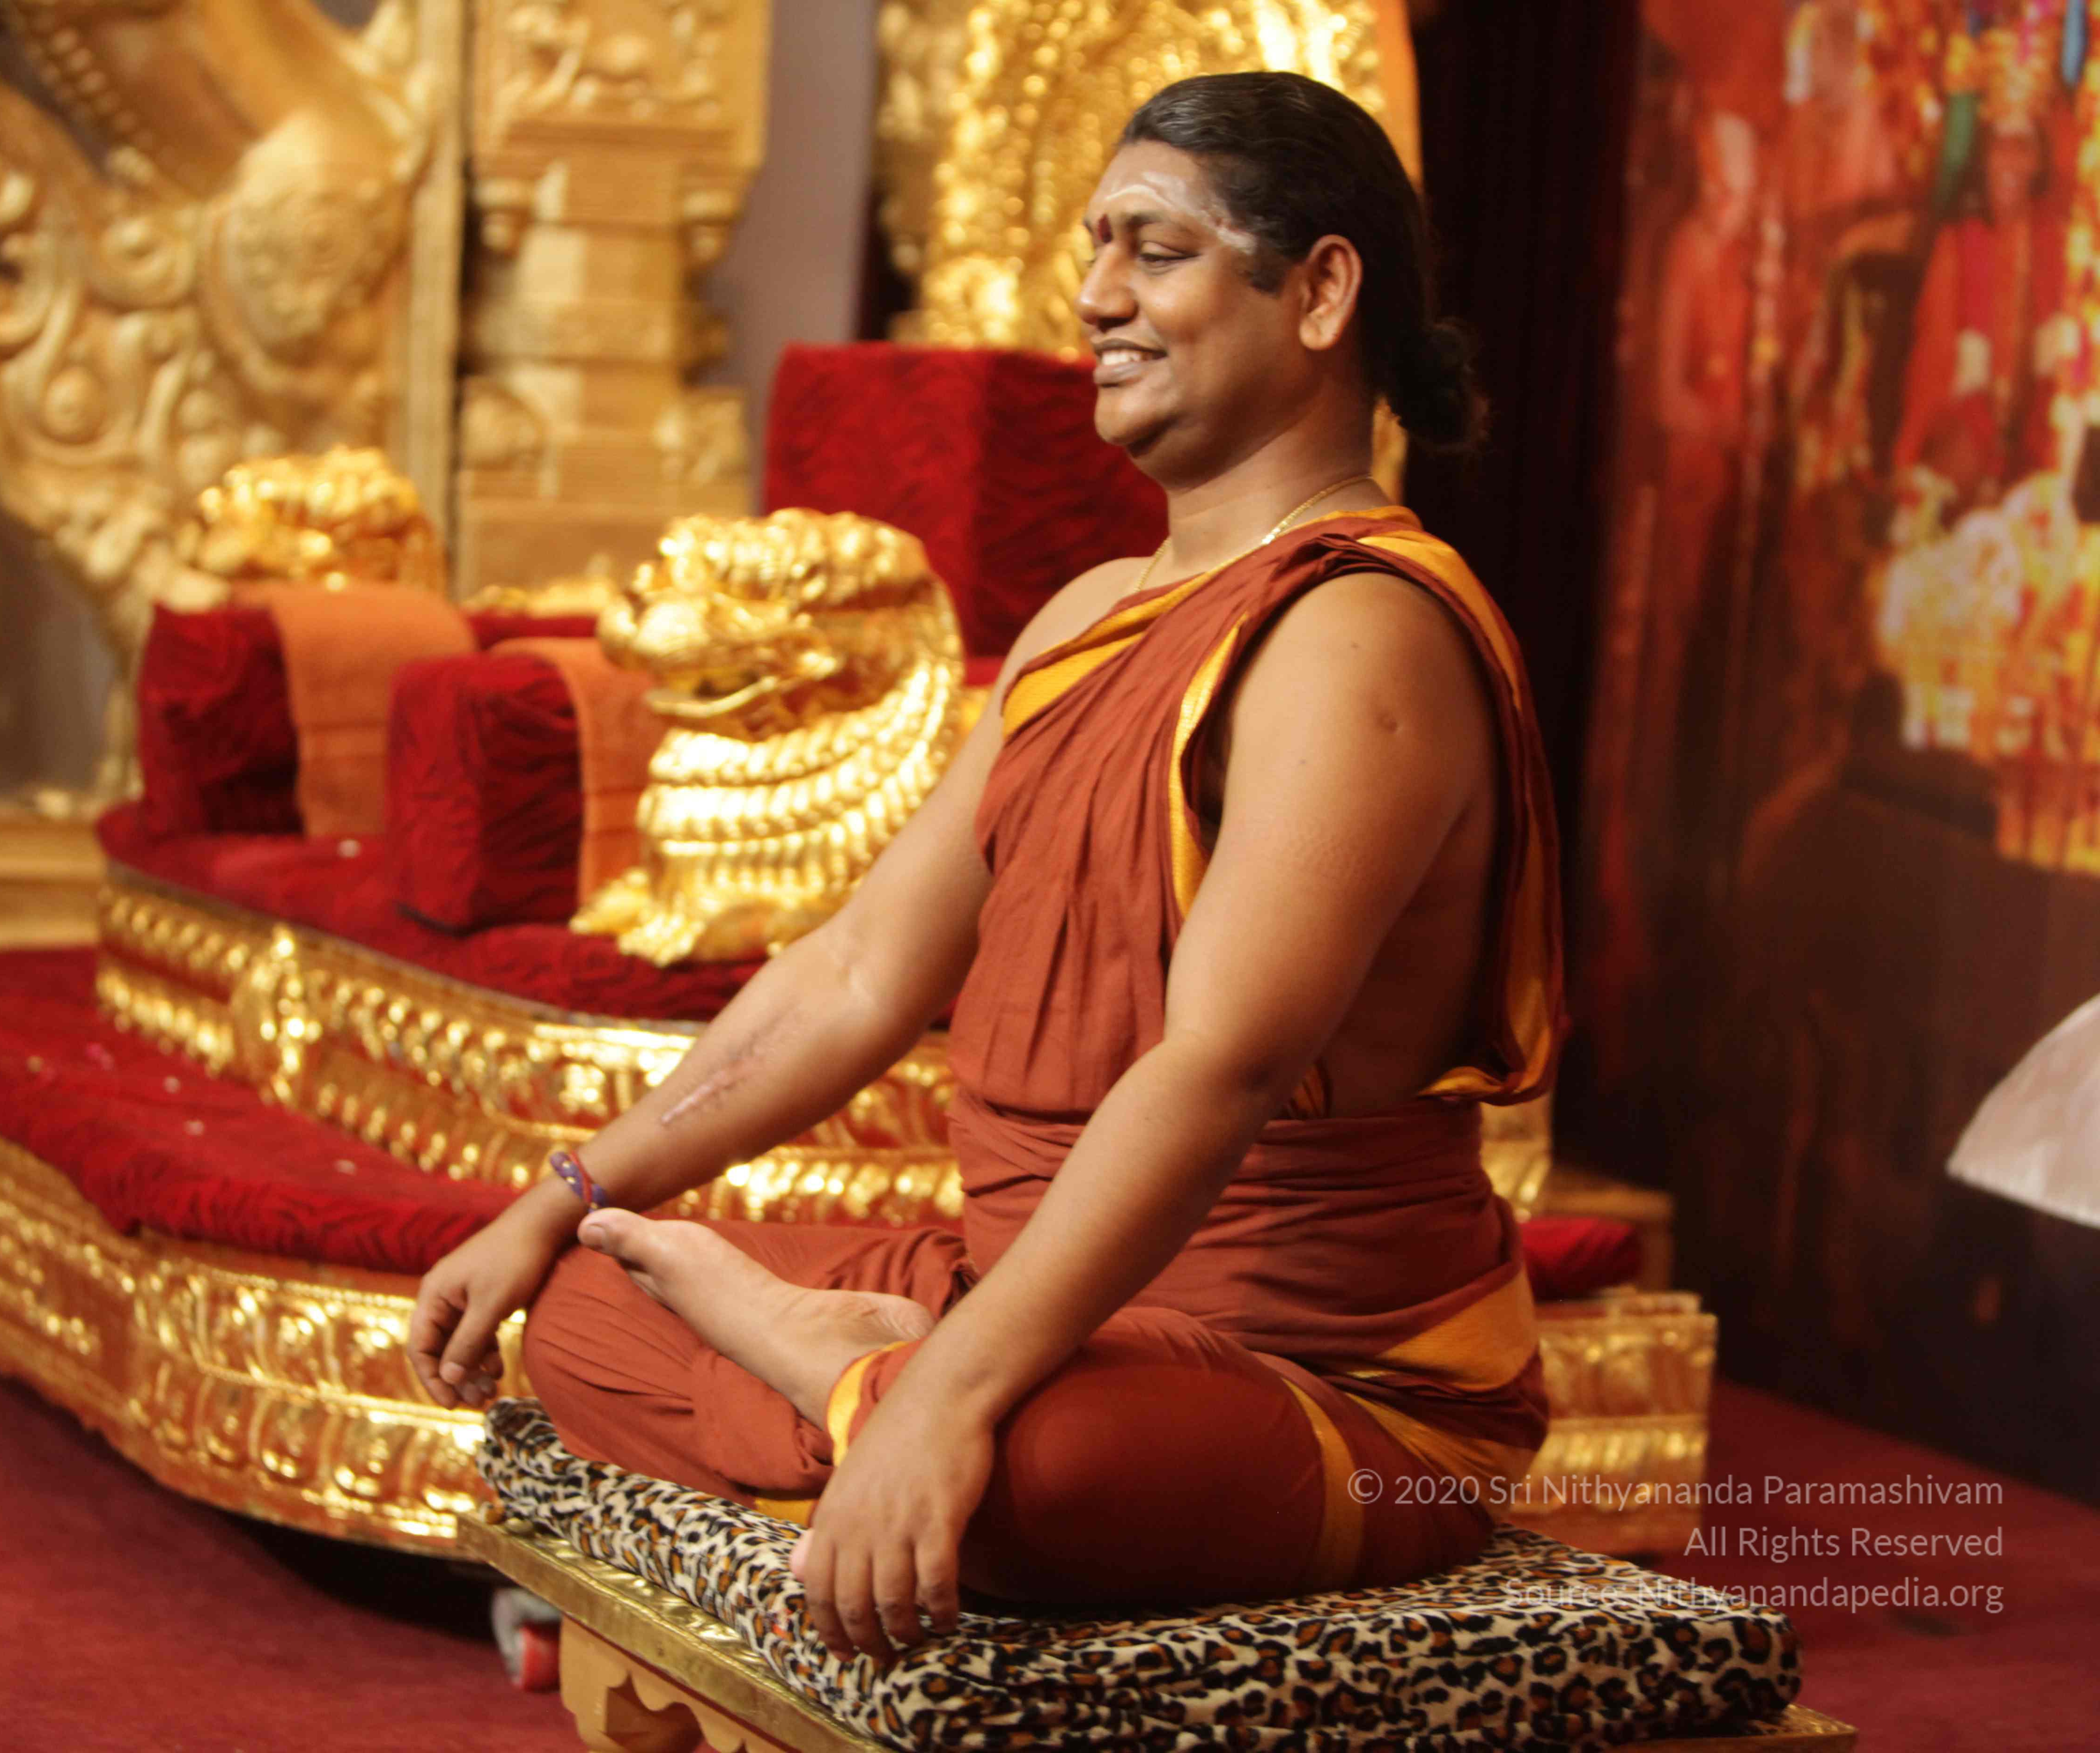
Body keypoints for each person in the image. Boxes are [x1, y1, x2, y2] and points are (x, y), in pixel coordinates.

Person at [408, 71, 1564, 1662]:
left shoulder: (1360, 629)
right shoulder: (1086, 616)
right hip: (1023, 1299)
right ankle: (868, 1377)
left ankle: (853, 1377)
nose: (1096, 297)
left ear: (1320, 291)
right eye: (1096, 246)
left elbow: (1219, 1065)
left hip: (1320, 1377)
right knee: (588, 1311)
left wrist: (948, 1395)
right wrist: (572, 1190)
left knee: (1044, 1473)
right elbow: (858, 971)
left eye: (1155, 249)